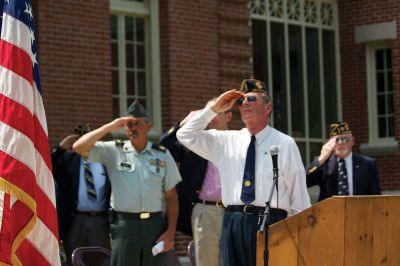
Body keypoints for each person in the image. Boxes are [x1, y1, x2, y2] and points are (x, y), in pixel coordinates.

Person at [176, 79, 310, 266]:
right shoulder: (226, 141)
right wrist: (214, 109)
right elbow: (184, 135)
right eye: (241, 101)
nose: (245, 103)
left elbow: (299, 198)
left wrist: (299, 239)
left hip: (272, 221)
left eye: (252, 98)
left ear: (268, 107)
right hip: (233, 220)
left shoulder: (285, 143)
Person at [72, 101, 181, 266]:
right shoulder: (114, 150)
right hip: (125, 226)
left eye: (137, 123)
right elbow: (79, 147)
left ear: (148, 126)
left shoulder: (162, 155)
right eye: (128, 125)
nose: (132, 128)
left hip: (154, 226)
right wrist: (110, 126)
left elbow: (171, 196)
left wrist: (171, 231)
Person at [160, 98, 232, 266]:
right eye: (209, 111)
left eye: (217, 112)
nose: (212, 116)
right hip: (205, 209)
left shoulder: (237, 140)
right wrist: (184, 122)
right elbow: (164, 146)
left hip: (233, 210)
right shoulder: (194, 141)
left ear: (229, 116)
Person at [51, 123, 111, 266]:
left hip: (101, 221)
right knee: (76, 261)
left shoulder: (107, 161)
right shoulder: (68, 160)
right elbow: (48, 165)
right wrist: (59, 148)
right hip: (75, 221)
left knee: (102, 261)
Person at [306, 121, 381, 201]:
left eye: (344, 139)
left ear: (352, 141)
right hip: (331, 212)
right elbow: (303, 182)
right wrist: (321, 159)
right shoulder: (324, 164)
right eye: (337, 140)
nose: (341, 143)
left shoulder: (368, 164)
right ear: (330, 143)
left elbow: (376, 198)